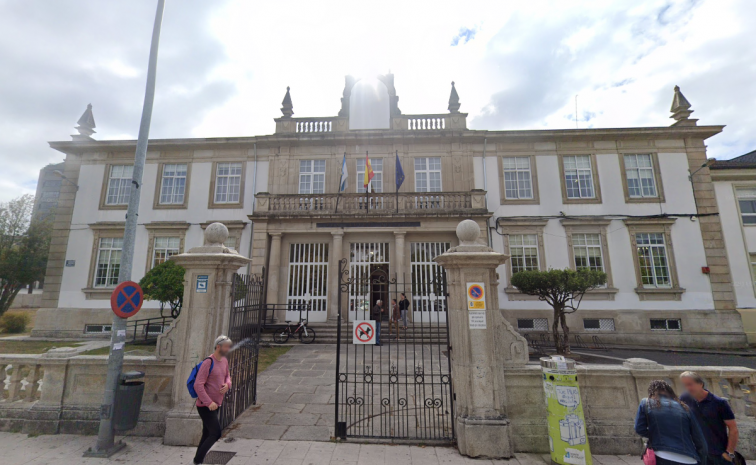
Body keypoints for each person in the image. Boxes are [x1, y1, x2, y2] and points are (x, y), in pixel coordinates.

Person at [635, 380, 708, 465]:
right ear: (671, 393)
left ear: (651, 393)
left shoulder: (646, 403)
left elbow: (639, 428)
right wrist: (702, 460)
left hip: (662, 455)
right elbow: (700, 440)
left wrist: (656, 435)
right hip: (689, 459)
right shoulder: (685, 408)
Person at [680, 371, 739, 465]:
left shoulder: (719, 403)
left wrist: (729, 453)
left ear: (701, 384)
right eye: (685, 385)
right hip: (696, 453)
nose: (688, 388)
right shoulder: (684, 398)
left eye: (690, 384)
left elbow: (733, 429)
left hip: (718, 454)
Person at [193, 335, 233, 465]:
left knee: (206, 433)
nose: (228, 349)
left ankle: (197, 461)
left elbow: (227, 376)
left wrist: (227, 384)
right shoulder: (208, 362)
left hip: (217, 404)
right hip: (205, 406)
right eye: (226, 347)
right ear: (218, 347)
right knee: (215, 433)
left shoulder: (224, 361)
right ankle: (198, 460)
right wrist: (209, 402)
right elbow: (198, 385)